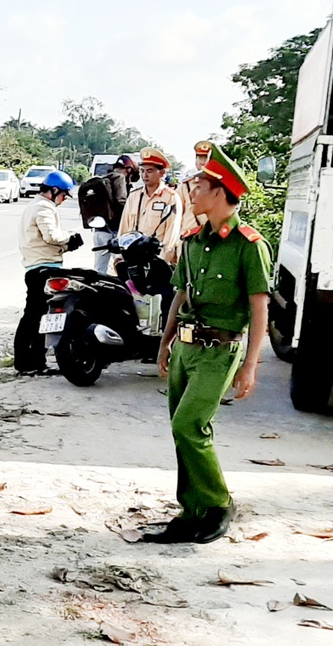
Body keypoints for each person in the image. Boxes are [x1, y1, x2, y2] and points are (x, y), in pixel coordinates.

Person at [142, 144, 271, 544]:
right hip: (185, 347)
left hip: (219, 349)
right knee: (182, 430)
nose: (191, 194)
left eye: (198, 187)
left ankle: (218, 504)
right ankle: (190, 511)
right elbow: (179, 296)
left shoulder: (249, 246)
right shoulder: (195, 241)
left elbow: (259, 307)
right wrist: (164, 344)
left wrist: (250, 365)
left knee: (190, 425)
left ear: (220, 193)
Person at [13, 170, 83, 374]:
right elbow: (51, 235)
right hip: (42, 268)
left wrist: (68, 246)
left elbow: (44, 240)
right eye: (62, 196)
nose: (62, 201)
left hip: (37, 265)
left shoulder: (33, 206)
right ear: (53, 190)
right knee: (35, 317)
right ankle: (26, 362)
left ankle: (35, 362)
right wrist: (69, 237)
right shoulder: (44, 207)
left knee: (38, 316)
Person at [118, 147, 182, 265]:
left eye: (150, 171)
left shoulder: (171, 197)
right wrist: (121, 255)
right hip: (133, 258)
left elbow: (171, 235)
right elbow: (124, 228)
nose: (145, 175)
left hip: (156, 259)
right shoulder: (134, 196)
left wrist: (162, 262)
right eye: (142, 171)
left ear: (162, 173)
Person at [92, 155, 138, 274]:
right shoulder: (120, 177)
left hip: (99, 230)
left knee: (99, 269)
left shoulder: (105, 178)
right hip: (114, 231)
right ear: (129, 170)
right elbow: (121, 200)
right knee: (123, 267)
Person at [178, 140, 213, 235]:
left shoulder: (218, 185)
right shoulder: (185, 186)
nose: (202, 161)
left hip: (210, 236)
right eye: (199, 157)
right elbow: (176, 213)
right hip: (189, 235)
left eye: (205, 158)